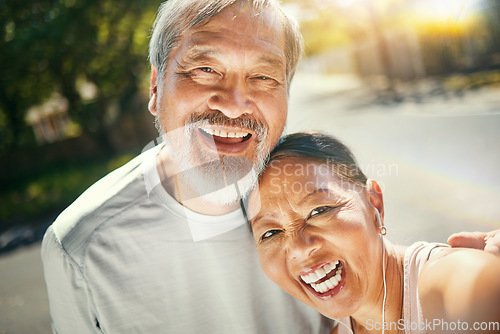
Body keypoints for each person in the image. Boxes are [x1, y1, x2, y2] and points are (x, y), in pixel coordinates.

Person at [41, 0, 498, 333]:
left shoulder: (293, 176)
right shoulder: (82, 247)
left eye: (263, 76)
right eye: (204, 69)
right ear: (157, 86)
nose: (236, 105)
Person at [248, 132, 500, 334]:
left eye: (319, 210)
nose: (300, 248)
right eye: (270, 233)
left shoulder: (460, 286)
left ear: (373, 202)